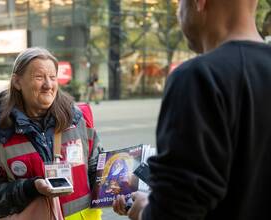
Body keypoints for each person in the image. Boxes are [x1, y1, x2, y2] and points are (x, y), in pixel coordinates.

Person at [113, 0, 271, 219]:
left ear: (199, 3)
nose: (178, 11)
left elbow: (176, 210)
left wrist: (143, 210)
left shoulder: (199, 77)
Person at [0, 47, 103, 220]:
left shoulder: (79, 122)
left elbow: (99, 171)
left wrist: (120, 192)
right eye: (39, 77)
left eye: (52, 77)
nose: (48, 85)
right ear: (17, 82)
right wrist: (30, 188)